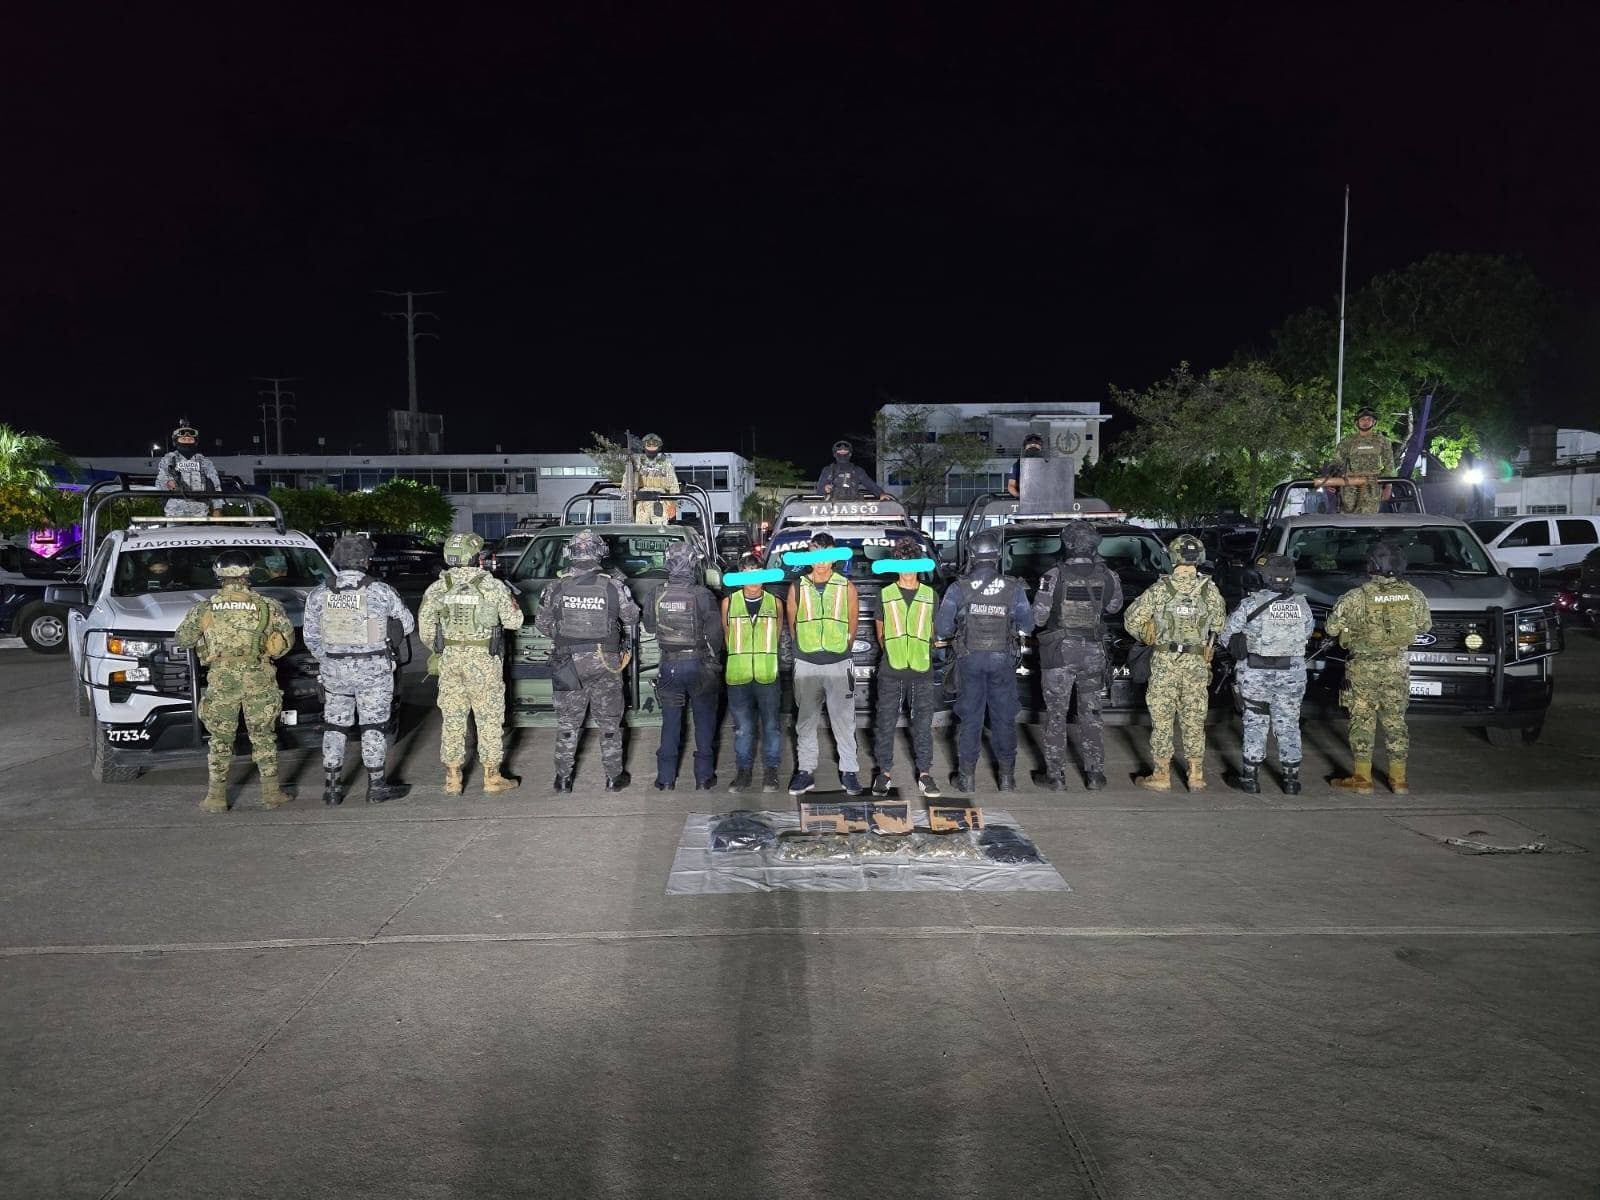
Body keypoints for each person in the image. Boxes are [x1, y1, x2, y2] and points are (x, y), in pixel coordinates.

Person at [175, 550, 295, 811]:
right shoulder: (269, 606)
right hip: (259, 678)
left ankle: (216, 798)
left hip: (222, 680)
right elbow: (285, 645)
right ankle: (271, 795)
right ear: (249, 573)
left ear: (219, 575)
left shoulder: (205, 608)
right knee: (263, 735)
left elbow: (183, 639)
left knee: (220, 739)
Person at [303, 536, 416, 805]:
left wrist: (330, 659)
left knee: (334, 726)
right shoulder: (380, 591)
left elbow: (311, 637)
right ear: (366, 561)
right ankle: (376, 787)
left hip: (335, 671)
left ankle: (332, 789)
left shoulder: (320, 594)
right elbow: (408, 625)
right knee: (373, 726)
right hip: (374, 670)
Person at [534, 528, 641, 791]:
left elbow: (542, 624)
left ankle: (562, 779)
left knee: (568, 723)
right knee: (609, 723)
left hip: (567, 662)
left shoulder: (555, 587)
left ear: (571, 554)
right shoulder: (614, 585)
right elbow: (632, 617)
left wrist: (566, 638)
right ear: (600, 554)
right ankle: (614, 778)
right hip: (604, 661)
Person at [418, 532, 524, 795]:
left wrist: (447, 648)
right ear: (477, 557)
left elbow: (426, 631)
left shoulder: (438, 588)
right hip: (484, 662)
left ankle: (452, 778)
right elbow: (514, 622)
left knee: (452, 717)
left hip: (450, 661)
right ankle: (491, 777)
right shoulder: (492, 586)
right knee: (488, 717)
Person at [1326, 539, 1431, 794]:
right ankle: (1399, 779)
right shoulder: (1414, 595)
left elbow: (1331, 628)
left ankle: (1362, 779)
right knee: (1396, 721)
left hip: (1363, 668)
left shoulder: (1356, 597)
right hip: (1397, 666)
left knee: (1363, 720)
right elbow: (1424, 626)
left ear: (1371, 565)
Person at [934, 528, 1035, 792]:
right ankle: (1007, 779)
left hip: (969, 659)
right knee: (1004, 718)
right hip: (1003, 660)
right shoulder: (1014, 588)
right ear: (997, 556)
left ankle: (966, 779)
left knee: (970, 718)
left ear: (971, 555)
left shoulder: (958, 588)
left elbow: (943, 628)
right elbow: (1028, 624)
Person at [1124, 534, 1226, 791]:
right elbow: (1219, 624)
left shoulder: (1159, 590)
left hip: (1164, 662)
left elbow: (1131, 620)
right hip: (1196, 663)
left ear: (1173, 557)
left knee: (1162, 719)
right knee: (1194, 718)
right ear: (1199, 558)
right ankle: (1196, 775)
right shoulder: (1210, 590)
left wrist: (1147, 635)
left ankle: (1161, 775)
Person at [1030, 519, 1123, 791]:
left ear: (1067, 544)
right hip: (1093, 651)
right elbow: (1115, 606)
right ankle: (1094, 775)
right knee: (1091, 712)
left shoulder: (1053, 575)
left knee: (1056, 714)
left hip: (1060, 653)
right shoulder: (1108, 575)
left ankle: (1056, 777)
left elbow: (1038, 616)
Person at [1220, 553, 1314, 795]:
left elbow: (1226, 635)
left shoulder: (1251, 604)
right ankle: (1291, 780)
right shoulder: (1302, 605)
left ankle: (1250, 778)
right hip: (1291, 674)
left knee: (1255, 722)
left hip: (1256, 673)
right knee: (1289, 723)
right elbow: (1307, 633)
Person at [786, 531, 862, 795]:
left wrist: (840, 649)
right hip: (806, 663)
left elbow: (853, 625)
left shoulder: (847, 587)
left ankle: (849, 771)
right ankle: (805, 772)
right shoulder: (796, 587)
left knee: (844, 721)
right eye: (815, 555)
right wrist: (805, 651)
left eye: (826, 556)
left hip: (839, 664)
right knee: (805, 721)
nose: (820, 562)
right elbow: (793, 625)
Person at [648, 541, 724, 791]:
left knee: (670, 722)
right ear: (693, 563)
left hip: (669, 665)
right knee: (703, 722)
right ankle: (703, 777)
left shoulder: (656, 593)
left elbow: (650, 626)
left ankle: (665, 779)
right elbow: (716, 635)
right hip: (699, 665)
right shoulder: (702, 595)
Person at [870, 538, 942, 800]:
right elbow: (880, 633)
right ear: (896, 564)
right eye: (903, 562)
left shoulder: (930, 595)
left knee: (922, 725)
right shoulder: (886, 594)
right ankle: (884, 773)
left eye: (913, 562)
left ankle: (925, 774)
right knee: (885, 724)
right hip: (891, 670)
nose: (908, 568)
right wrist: (895, 651)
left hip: (922, 670)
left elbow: (933, 632)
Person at [722, 554, 783, 794]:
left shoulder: (774, 603)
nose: (753, 580)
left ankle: (771, 772)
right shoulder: (729, 603)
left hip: (768, 675)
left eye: (757, 573)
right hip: (738, 676)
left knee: (771, 727)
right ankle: (743, 772)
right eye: (748, 574)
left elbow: (777, 635)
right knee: (743, 728)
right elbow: (727, 637)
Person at [1330, 408, 1396, 515]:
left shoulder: (1382, 441)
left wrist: (1388, 486)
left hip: (1372, 485)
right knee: (1348, 520)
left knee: (1369, 520)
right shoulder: (1347, 442)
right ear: (1357, 422)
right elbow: (1337, 462)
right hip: (1350, 485)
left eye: (1369, 419)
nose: (1365, 422)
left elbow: (1389, 466)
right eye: (1362, 419)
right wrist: (1332, 480)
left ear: (1374, 422)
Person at [155, 419, 223, 519]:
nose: (187, 441)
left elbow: (215, 484)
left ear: (195, 442)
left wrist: (217, 508)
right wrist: (169, 483)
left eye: (190, 440)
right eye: (183, 439)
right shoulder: (169, 459)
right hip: (175, 513)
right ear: (176, 442)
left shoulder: (204, 461)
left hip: (201, 513)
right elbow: (161, 480)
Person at [635, 432, 680, 525]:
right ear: (644, 447)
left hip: (660, 500)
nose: (651, 448)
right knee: (641, 530)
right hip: (642, 501)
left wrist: (673, 505)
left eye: (654, 446)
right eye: (649, 445)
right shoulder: (636, 464)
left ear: (658, 447)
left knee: (661, 529)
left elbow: (674, 486)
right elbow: (628, 483)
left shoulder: (666, 464)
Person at [1006, 432, 1046, 498]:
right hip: (1023, 499)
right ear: (1025, 448)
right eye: (1030, 445)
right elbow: (1011, 486)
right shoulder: (1017, 465)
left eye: (1036, 445)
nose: (1033, 446)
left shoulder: (1047, 465)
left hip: (1044, 499)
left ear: (1040, 448)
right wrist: (1021, 497)